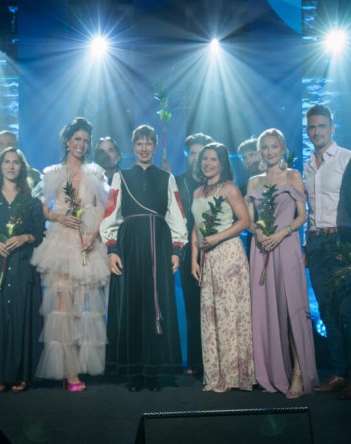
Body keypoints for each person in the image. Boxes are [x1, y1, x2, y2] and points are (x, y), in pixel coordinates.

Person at [100, 124, 187, 392]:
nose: (144, 148)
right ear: (133, 146)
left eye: (149, 143)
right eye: (140, 143)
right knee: (132, 304)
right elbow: (111, 214)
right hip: (129, 245)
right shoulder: (122, 177)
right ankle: (134, 371)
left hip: (158, 245)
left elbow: (176, 215)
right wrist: (112, 250)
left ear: (155, 146)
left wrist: (175, 250)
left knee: (156, 305)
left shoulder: (166, 178)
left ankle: (153, 371)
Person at [31, 117, 109, 392]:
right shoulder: (53, 172)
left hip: (88, 242)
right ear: (67, 141)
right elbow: (40, 206)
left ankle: (79, 365)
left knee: (84, 310)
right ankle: (69, 372)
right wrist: (58, 216)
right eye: (77, 139)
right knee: (63, 309)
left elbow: (105, 207)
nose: (81, 144)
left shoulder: (95, 173)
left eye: (86, 141)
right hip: (61, 243)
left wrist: (93, 234)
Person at [246, 128, 318, 398]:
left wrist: (282, 233)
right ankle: (273, 372)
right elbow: (248, 220)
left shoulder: (293, 176)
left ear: (283, 148)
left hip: (286, 246)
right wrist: (259, 232)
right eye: (265, 147)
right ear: (260, 151)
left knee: (291, 310)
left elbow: (302, 216)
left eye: (274, 146)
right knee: (265, 311)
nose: (270, 151)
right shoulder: (253, 181)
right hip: (261, 249)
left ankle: (299, 372)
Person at [0, 148, 45, 393]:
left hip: (22, 263)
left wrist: (25, 237)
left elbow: (39, 232)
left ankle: (20, 375)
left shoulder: (31, 200)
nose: (11, 166)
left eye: (16, 162)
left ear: (22, 168)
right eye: (7, 162)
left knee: (21, 317)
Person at [191, 143, 254, 392]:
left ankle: (232, 375)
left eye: (213, 159)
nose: (207, 163)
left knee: (229, 315)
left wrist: (218, 237)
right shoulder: (197, 192)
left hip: (228, 254)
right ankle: (215, 375)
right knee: (210, 316)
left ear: (222, 163)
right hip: (208, 259)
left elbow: (245, 221)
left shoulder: (229, 188)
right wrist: (193, 259)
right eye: (205, 159)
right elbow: (195, 228)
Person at [304, 104, 351, 399]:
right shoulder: (308, 165)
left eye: (322, 126)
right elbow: (309, 210)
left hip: (341, 241)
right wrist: (306, 246)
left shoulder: (346, 158)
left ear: (332, 128)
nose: (316, 131)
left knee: (347, 309)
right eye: (312, 127)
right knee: (327, 310)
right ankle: (339, 372)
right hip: (316, 243)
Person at [176, 132, 214, 376]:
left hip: (214, 248)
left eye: (201, 154)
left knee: (213, 307)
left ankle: (214, 359)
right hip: (186, 253)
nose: (197, 158)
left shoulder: (215, 182)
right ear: (187, 155)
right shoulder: (178, 182)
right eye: (192, 153)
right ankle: (194, 361)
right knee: (192, 307)